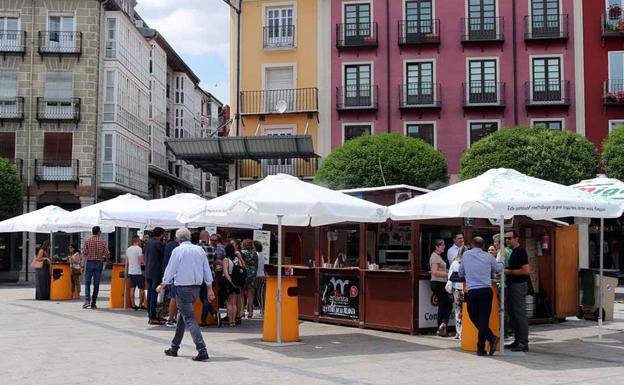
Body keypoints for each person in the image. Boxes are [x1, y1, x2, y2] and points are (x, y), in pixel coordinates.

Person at [158, 227, 215, 362]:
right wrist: (209, 288)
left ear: (178, 239)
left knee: (188, 318)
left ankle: (202, 349)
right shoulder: (199, 250)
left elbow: (171, 269)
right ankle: (174, 347)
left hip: (182, 288)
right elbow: (206, 270)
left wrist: (163, 284)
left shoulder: (178, 250)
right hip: (196, 288)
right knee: (182, 317)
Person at [459, 236, 504, 356]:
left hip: (472, 291)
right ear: (483, 246)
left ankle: (483, 345)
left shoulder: (466, 255)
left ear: (472, 245)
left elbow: (460, 272)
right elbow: (499, 268)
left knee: (473, 316)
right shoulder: (488, 256)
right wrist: (502, 259)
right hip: (485, 290)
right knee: (483, 319)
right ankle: (488, 340)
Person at [504, 230, 530, 352]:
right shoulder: (513, 251)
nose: (507, 240)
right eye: (506, 238)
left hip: (518, 285)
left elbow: (526, 270)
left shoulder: (521, 251)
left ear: (516, 238)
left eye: (509, 238)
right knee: (513, 313)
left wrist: (510, 272)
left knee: (519, 314)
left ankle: (523, 342)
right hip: (512, 284)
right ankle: (517, 340)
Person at [83, 226, 110, 309]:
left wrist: (82, 265)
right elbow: (107, 253)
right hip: (99, 263)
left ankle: (87, 300)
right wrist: (108, 259)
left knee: (87, 282)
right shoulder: (103, 242)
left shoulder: (87, 241)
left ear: (92, 232)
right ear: (99, 232)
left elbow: (84, 253)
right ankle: (93, 302)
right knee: (96, 283)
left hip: (90, 262)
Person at [429, 239, 452, 337]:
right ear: (437, 246)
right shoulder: (435, 257)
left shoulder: (438, 256)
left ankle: (441, 327)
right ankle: (442, 325)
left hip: (439, 283)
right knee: (447, 303)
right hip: (438, 283)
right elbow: (434, 272)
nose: (444, 247)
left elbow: (439, 269)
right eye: (442, 245)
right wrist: (448, 274)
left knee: (443, 304)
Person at [144, 227, 165, 325]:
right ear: (161, 235)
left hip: (148, 270)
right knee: (154, 294)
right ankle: (152, 317)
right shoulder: (158, 244)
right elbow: (163, 257)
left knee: (150, 294)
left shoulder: (148, 243)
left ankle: (150, 314)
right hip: (156, 271)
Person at [222, 243, 245, 327]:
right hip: (237, 280)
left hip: (229, 281)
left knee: (229, 303)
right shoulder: (237, 259)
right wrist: (239, 257)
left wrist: (231, 282)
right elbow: (243, 267)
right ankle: (234, 321)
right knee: (234, 303)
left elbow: (225, 272)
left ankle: (230, 320)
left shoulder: (225, 259)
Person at [163, 233, 180, 326]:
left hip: (170, 275)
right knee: (174, 297)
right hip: (174, 276)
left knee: (173, 297)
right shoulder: (176, 248)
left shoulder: (169, 245)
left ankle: (172, 317)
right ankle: (170, 318)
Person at [126, 236, 145, 311]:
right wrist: (145, 263)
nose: (140, 242)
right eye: (140, 241)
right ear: (137, 241)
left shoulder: (128, 249)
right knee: (141, 289)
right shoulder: (139, 249)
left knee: (132, 288)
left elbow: (127, 261)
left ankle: (133, 305)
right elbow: (140, 260)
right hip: (138, 271)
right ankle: (140, 304)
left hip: (131, 271)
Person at [448, 249, 464, 340]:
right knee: (465, 311)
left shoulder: (454, 263)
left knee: (458, 311)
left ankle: (458, 332)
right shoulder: (467, 263)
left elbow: (450, 276)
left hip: (456, 290)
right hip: (465, 289)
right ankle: (462, 331)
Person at [241, 239, 258, 319]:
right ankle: (250, 312)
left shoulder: (242, 253)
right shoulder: (255, 253)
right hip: (252, 274)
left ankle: (242, 310)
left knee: (241, 294)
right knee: (251, 294)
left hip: (243, 274)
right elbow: (256, 265)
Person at [253, 240, 266, 314]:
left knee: (259, 294)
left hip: (257, 275)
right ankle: (262, 308)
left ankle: (262, 309)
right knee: (260, 293)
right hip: (262, 274)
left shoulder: (256, 254)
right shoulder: (261, 254)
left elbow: (255, 266)